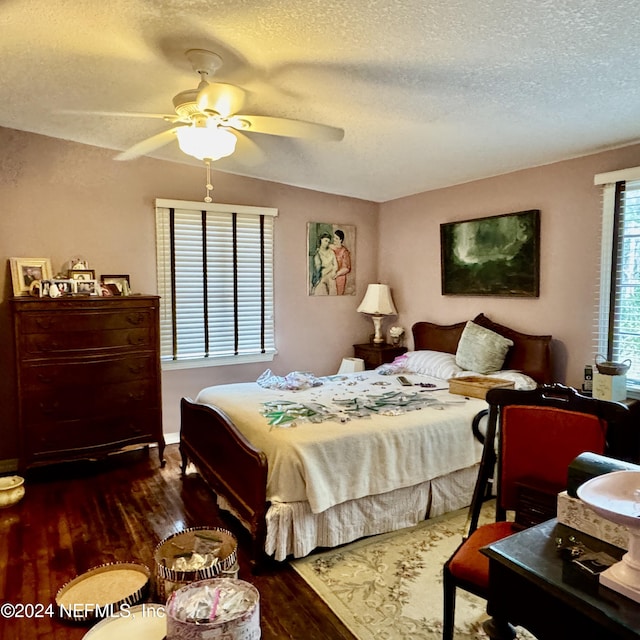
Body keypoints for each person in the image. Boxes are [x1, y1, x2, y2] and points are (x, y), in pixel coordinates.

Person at [331, 229, 352, 295]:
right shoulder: (330, 247)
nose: (334, 239)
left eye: (336, 238)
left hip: (340, 277)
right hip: (329, 275)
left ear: (340, 240)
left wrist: (337, 274)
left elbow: (347, 268)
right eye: (334, 237)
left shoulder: (344, 251)